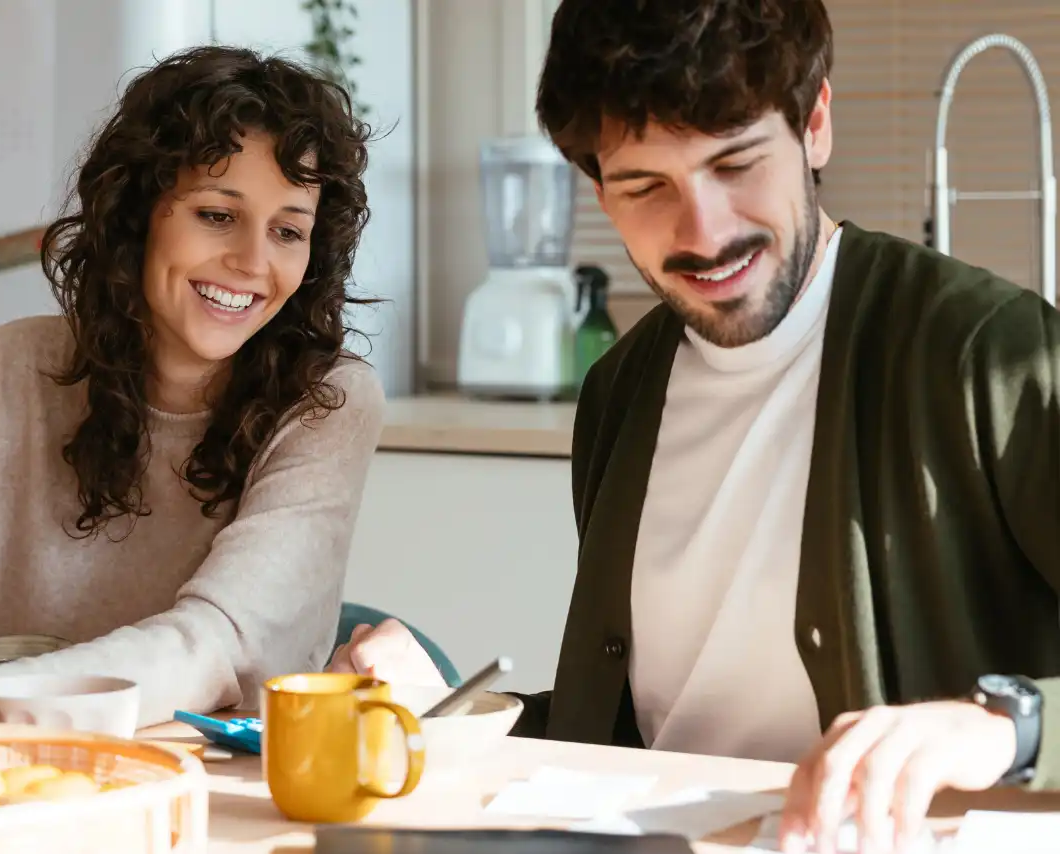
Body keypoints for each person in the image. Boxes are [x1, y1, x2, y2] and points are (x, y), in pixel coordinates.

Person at [328, 0, 1060, 850]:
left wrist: (1006, 727)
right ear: (597, 189)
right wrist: (458, 712)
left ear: (814, 124)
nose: (704, 232)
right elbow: (644, 743)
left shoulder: (991, 355)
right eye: (646, 187)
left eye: (736, 163)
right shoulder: (619, 393)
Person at [0, 44, 386, 730]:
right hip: (10, 788)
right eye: (217, 215)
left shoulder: (328, 403)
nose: (253, 261)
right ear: (138, 215)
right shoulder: (15, 365)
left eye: (287, 231)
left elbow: (216, 645)